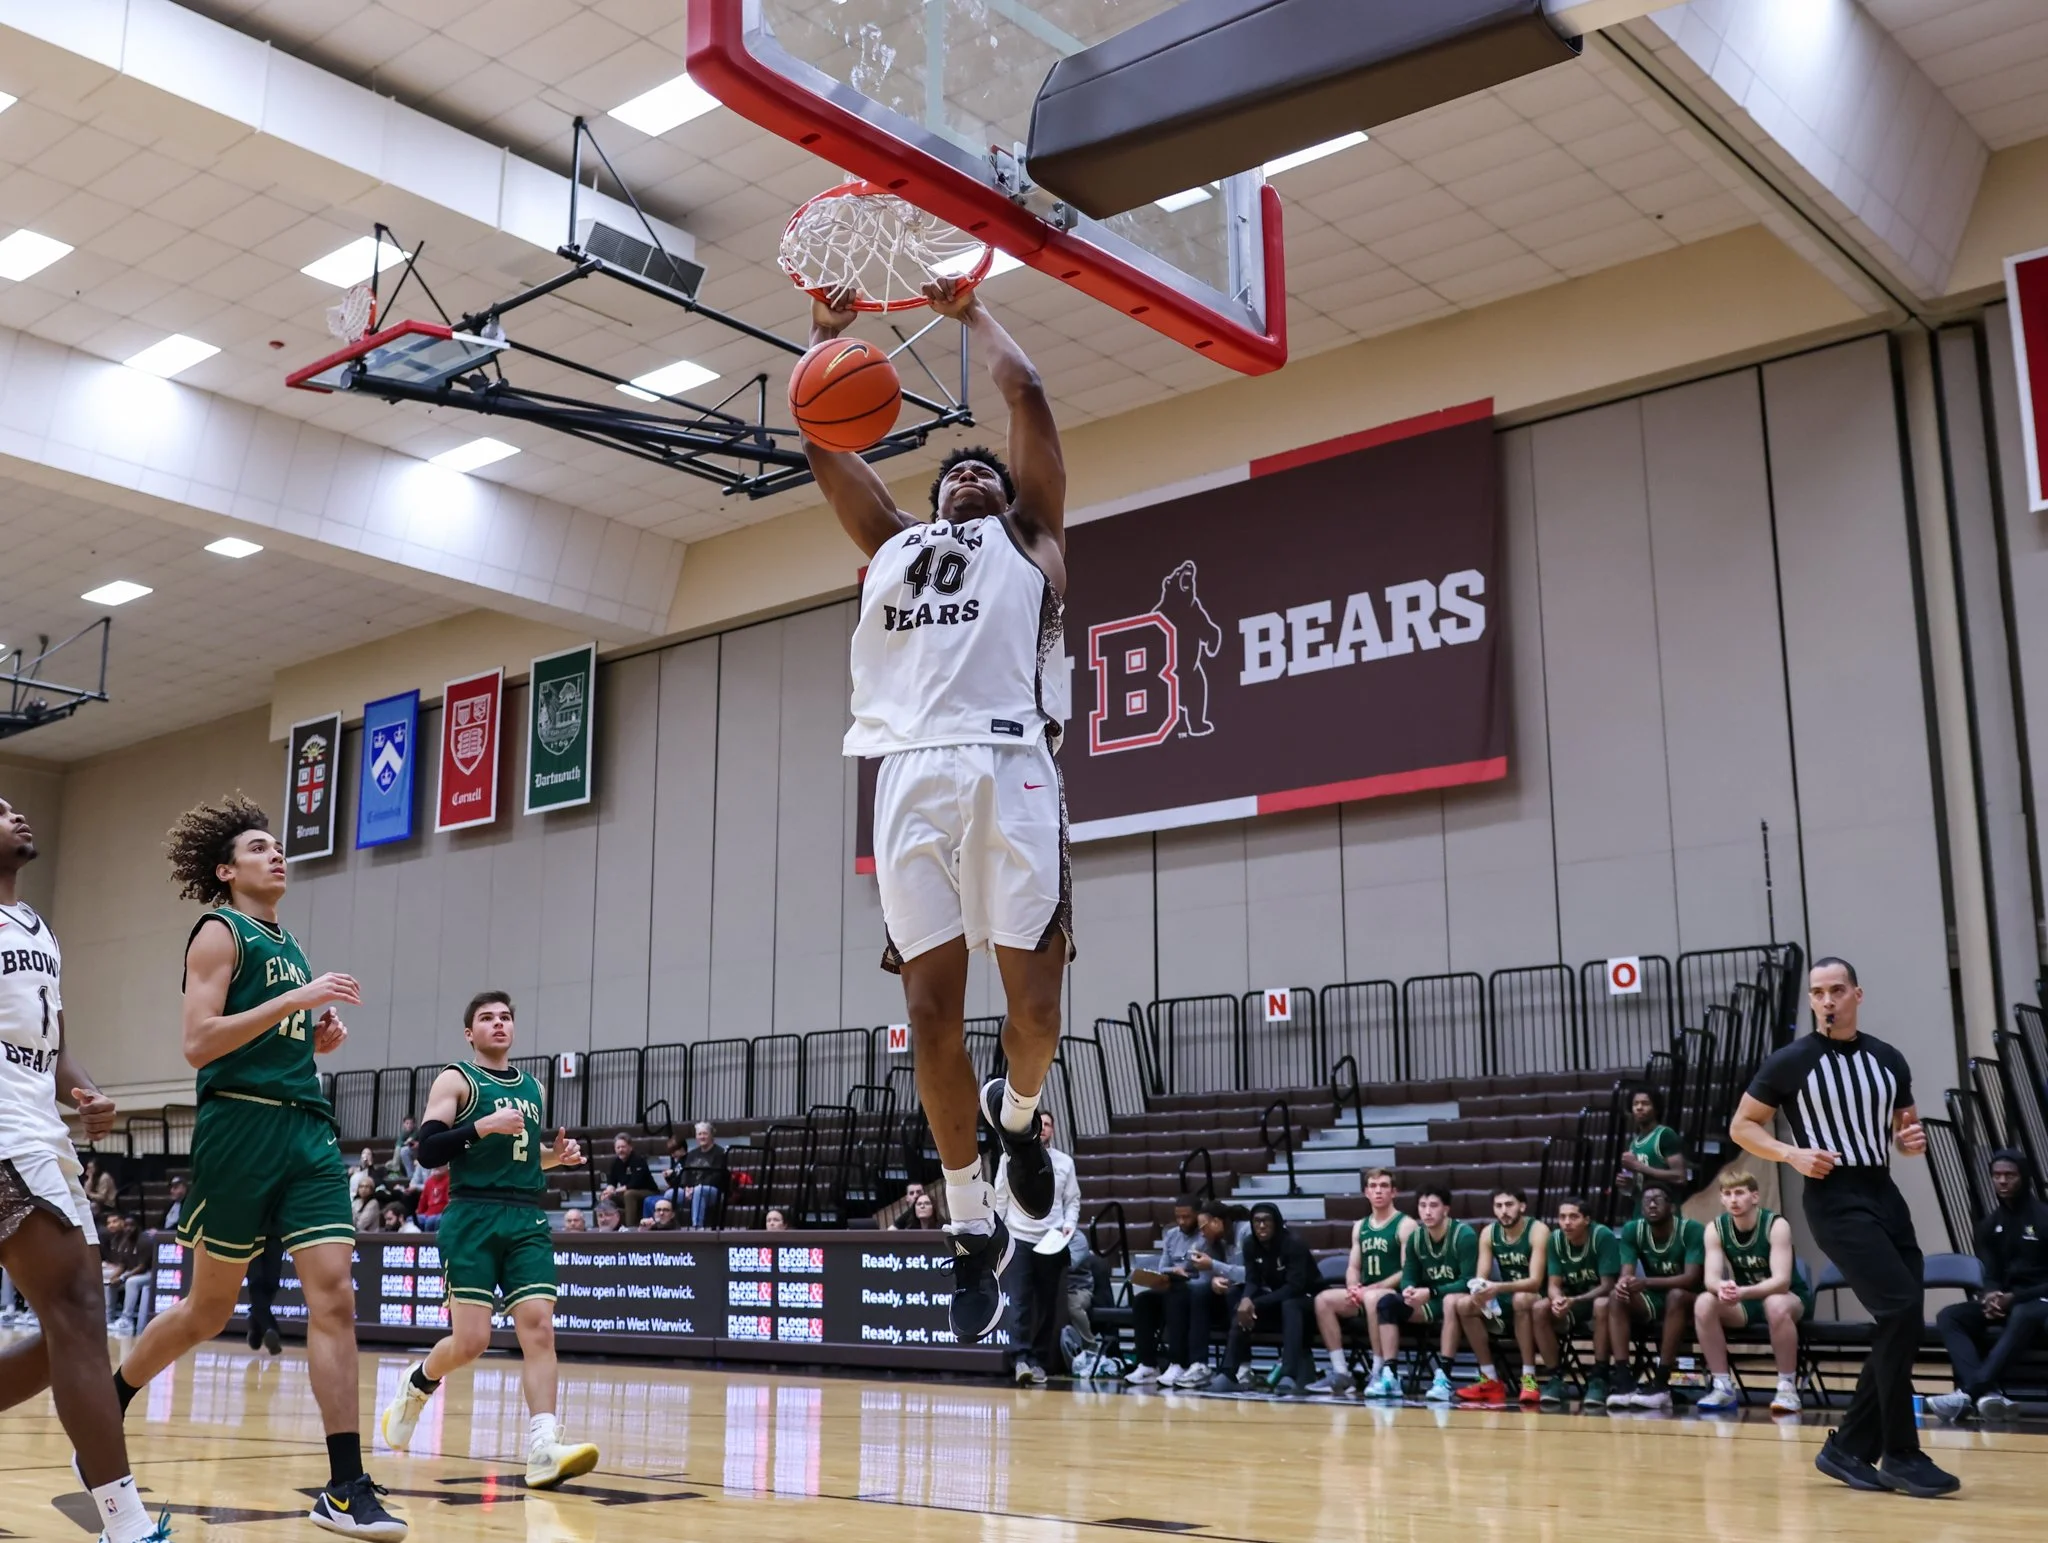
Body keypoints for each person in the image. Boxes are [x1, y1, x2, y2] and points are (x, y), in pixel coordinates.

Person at [807, 277, 1071, 1343]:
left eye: (982, 469)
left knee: (1035, 1014)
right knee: (926, 1015)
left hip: (1009, 762)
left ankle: (1018, 1127)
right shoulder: (894, 546)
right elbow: (825, 444)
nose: (967, 473)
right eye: (951, 469)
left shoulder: (1033, 540)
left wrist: (966, 311)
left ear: (1004, 499)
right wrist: (822, 341)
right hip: (906, 771)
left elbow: (1029, 391)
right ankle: (968, 1224)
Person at [109, 795, 404, 1538]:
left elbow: (279, 1032)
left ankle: (344, 1484)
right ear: (225, 868)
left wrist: (315, 1035)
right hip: (238, 1124)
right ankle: (105, 1402)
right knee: (208, 1311)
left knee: (334, 1298)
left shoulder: (291, 943)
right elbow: (199, 1041)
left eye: (279, 847)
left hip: (305, 1128)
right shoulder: (218, 931)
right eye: (259, 847)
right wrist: (294, 1002)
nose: (277, 855)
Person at [0, 792, 168, 1543]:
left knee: (78, 1320)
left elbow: (54, 1045)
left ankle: (122, 1521)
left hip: (39, 1126)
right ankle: (124, 1524)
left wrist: (85, 1091)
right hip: (6, 1129)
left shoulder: (40, 931)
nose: (17, 813)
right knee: (76, 1310)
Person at [1729, 957, 1954, 1498]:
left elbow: (1904, 1127)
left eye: (1836, 990)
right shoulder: (1792, 1060)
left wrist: (1909, 1142)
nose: (1826, 1000)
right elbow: (1741, 1126)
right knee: (1899, 1310)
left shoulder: (1888, 1059)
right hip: (1833, 1198)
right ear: (1811, 1001)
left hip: (1883, 1192)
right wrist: (1790, 1153)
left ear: (1858, 993)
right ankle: (1893, 1451)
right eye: (1817, 993)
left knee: (1901, 1321)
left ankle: (1858, 1449)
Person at [378, 990, 596, 1491]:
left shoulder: (534, 1086)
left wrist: (555, 1159)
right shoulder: (456, 1079)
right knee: (472, 1340)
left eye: (505, 1018)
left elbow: (519, 1154)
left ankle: (543, 1447)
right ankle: (417, 1384)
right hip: (472, 1215)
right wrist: (481, 1125)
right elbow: (430, 1149)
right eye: (486, 1018)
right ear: (469, 1032)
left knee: (539, 1329)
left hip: (525, 1217)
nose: (498, 1024)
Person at [1929, 1149, 2048, 1422]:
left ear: (2024, 1177)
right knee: (1951, 1315)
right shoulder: (1988, 1225)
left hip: (2038, 1300)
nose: (2003, 1181)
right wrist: (1990, 1295)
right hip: (2010, 1300)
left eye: (2010, 1175)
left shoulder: (2044, 1218)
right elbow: (1991, 1273)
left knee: (2024, 1312)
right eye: (1997, 1176)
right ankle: (1989, 1396)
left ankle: (1969, 1392)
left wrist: (2013, 1299)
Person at [1691, 1171, 1809, 1414]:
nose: (1733, 1199)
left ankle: (1787, 1387)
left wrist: (1742, 1292)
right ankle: (1722, 1386)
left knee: (1775, 1303)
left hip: (1790, 1299)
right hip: (1748, 1300)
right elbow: (1710, 1279)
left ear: (1754, 1197)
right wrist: (1721, 1288)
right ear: (1722, 1199)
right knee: (1704, 1302)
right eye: (1727, 1194)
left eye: (1740, 1193)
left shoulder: (1776, 1225)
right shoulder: (1715, 1229)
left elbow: (1782, 1282)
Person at [1307, 1169, 1414, 1397]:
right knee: (1323, 1300)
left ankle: (1379, 1369)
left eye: (1384, 1186)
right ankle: (1341, 1372)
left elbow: (1407, 1271)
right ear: (1366, 1192)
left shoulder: (1405, 1224)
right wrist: (1353, 1287)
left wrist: (1374, 1288)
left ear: (1394, 1192)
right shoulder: (1360, 1226)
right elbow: (1354, 1266)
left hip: (1397, 1297)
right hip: (1367, 1293)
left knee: (1374, 1298)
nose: (1378, 1190)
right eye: (1373, 1186)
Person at [997, 1109, 1080, 1385]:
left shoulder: (1065, 1162)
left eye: (1047, 1124)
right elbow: (999, 1198)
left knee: (1046, 1304)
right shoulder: (1009, 1159)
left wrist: (1069, 1223)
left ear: (1053, 1131)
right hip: (1018, 1237)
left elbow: (1072, 1201)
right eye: (1039, 1124)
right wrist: (1000, 1232)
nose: (1043, 1128)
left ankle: (1039, 1360)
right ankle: (1020, 1359)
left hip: (1052, 1239)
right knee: (1019, 1301)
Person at [1606, 1181, 1704, 1410]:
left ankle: (1661, 1382)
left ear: (1671, 1207)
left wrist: (1646, 1282)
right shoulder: (1632, 1230)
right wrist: (1623, 1283)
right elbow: (1627, 1272)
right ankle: (1624, 1381)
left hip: (1691, 1300)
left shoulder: (1691, 1230)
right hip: (1655, 1298)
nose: (1650, 1204)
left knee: (1677, 1296)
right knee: (1615, 1297)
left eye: (1657, 1199)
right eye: (1646, 1200)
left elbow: (1691, 1278)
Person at [1450, 1187, 1551, 1406]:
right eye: (1498, 1206)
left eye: (1509, 1205)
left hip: (1539, 1298)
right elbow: (1482, 1276)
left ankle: (1528, 1377)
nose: (1504, 1211)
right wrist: (1479, 1291)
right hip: (1505, 1294)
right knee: (1465, 1305)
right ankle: (1489, 1379)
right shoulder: (1488, 1232)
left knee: (1522, 1298)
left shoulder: (1538, 1230)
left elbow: (1535, 1281)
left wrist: (1496, 1288)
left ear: (1522, 1207)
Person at [1378, 1187, 1478, 1403]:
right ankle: (1390, 1375)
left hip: (1460, 1300)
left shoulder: (1465, 1235)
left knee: (1451, 1302)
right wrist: (1408, 1289)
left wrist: (1432, 1291)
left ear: (1446, 1209)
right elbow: (1409, 1274)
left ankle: (1443, 1377)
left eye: (1433, 1206)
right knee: (1386, 1303)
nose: (1427, 1212)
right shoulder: (1416, 1238)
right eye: (1422, 1206)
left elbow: (1468, 1282)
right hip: (1429, 1301)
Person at [1208, 1202, 1316, 1392]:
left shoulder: (1294, 1244)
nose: (1262, 1226)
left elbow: (1294, 1287)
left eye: (1267, 1221)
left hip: (1309, 1302)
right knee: (1239, 1304)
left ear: (1277, 1223)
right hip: (1279, 1301)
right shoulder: (1250, 1244)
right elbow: (1252, 1280)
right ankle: (1228, 1372)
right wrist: (1246, 1299)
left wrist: (1254, 1303)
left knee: (1290, 1304)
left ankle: (1289, 1373)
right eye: (1257, 1221)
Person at [1535, 1196, 1620, 1407]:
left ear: (1587, 1220)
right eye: (1562, 1217)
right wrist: (1556, 1300)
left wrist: (1575, 1300)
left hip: (1603, 1301)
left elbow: (1608, 1285)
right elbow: (1553, 1284)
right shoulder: (1555, 1239)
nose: (1566, 1222)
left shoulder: (1602, 1236)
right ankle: (1555, 1377)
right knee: (1539, 1308)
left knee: (1601, 1305)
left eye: (1573, 1217)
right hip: (1573, 1301)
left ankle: (1599, 1376)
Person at [1126, 1197, 1205, 1386]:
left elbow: (1205, 1269)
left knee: (1175, 1299)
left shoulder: (1204, 1235)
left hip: (1195, 1287)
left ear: (1197, 1215)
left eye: (1187, 1217)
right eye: (1178, 1217)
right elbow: (1163, 1266)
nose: (1182, 1221)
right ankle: (1148, 1365)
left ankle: (1178, 1364)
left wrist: (1183, 1272)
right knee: (1143, 1301)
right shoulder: (1171, 1234)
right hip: (1172, 1283)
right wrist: (1173, 1271)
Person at [1616, 1087, 1686, 1215]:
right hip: (1640, 1211)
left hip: (1664, 1215)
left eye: (1645, 1103)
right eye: (1635, 1104)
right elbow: (1635, 1187)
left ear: (1656, 1108)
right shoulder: (1633, 1143)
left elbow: (1680, 1177)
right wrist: (1626, 1184)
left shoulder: (1665, 1135)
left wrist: (1639, 1166)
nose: (1639, 1107)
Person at [671, 1122, 728, 1229]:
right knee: (670, 1194)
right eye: (699, 1134)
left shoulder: (720, 1153)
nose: (702, 1137)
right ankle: (669, 1225)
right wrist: (686, 1187)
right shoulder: (692, 1154)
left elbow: (717, 1176)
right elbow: (685, 1173)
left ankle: (697, 1226)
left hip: (714, 1191)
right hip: (692, 1189)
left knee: (699, 1190)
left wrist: (695, 1188)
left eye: (705, 1134)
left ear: (711, 1135)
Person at [102, 1214, 151, 1337]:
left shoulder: (144, 1240)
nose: (129, 1228)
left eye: (132, 1226)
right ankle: (109, 1318)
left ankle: (126, 1320)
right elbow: (122, 1265)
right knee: (109, 1281)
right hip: (133, 1272)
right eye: (126, 1226)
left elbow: (142, 1266)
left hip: (149, 1274)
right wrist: (114, 1276)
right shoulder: (125, 1241)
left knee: (131, 1282)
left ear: (138, 1227)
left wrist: (123, 1277)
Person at [245, 1237, 284, 1357]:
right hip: (251, 1231)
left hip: (274, 1232)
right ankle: (270, 1328)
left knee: (272, 1282)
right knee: (256, 1281)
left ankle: (256, 1323)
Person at [599, 1134, 654, 1218]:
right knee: (604, 1196)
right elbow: (611, 1182)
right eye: (618, 1147)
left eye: (623, 1147)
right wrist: (608, 1191)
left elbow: (635, 1183)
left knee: (629, 1194)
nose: (620, 1150)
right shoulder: (615, 1163)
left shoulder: (638, 1160)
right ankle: (605, 1227)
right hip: (626, 1193)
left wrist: (615, 1191)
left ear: (630, 1147)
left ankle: (630, 1227)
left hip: (647, 1192)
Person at [414, 1166, 449, 1234]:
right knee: (411, 1219)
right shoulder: (429, 1181)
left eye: (441, 1165)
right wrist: (418, 1213)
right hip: (428, 1214)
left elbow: (449, 1203)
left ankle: (428, 1243)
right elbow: (422, 1202)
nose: (437, 1167)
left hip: (442, 1213)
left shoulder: (450, 1180)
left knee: (431, 1221)